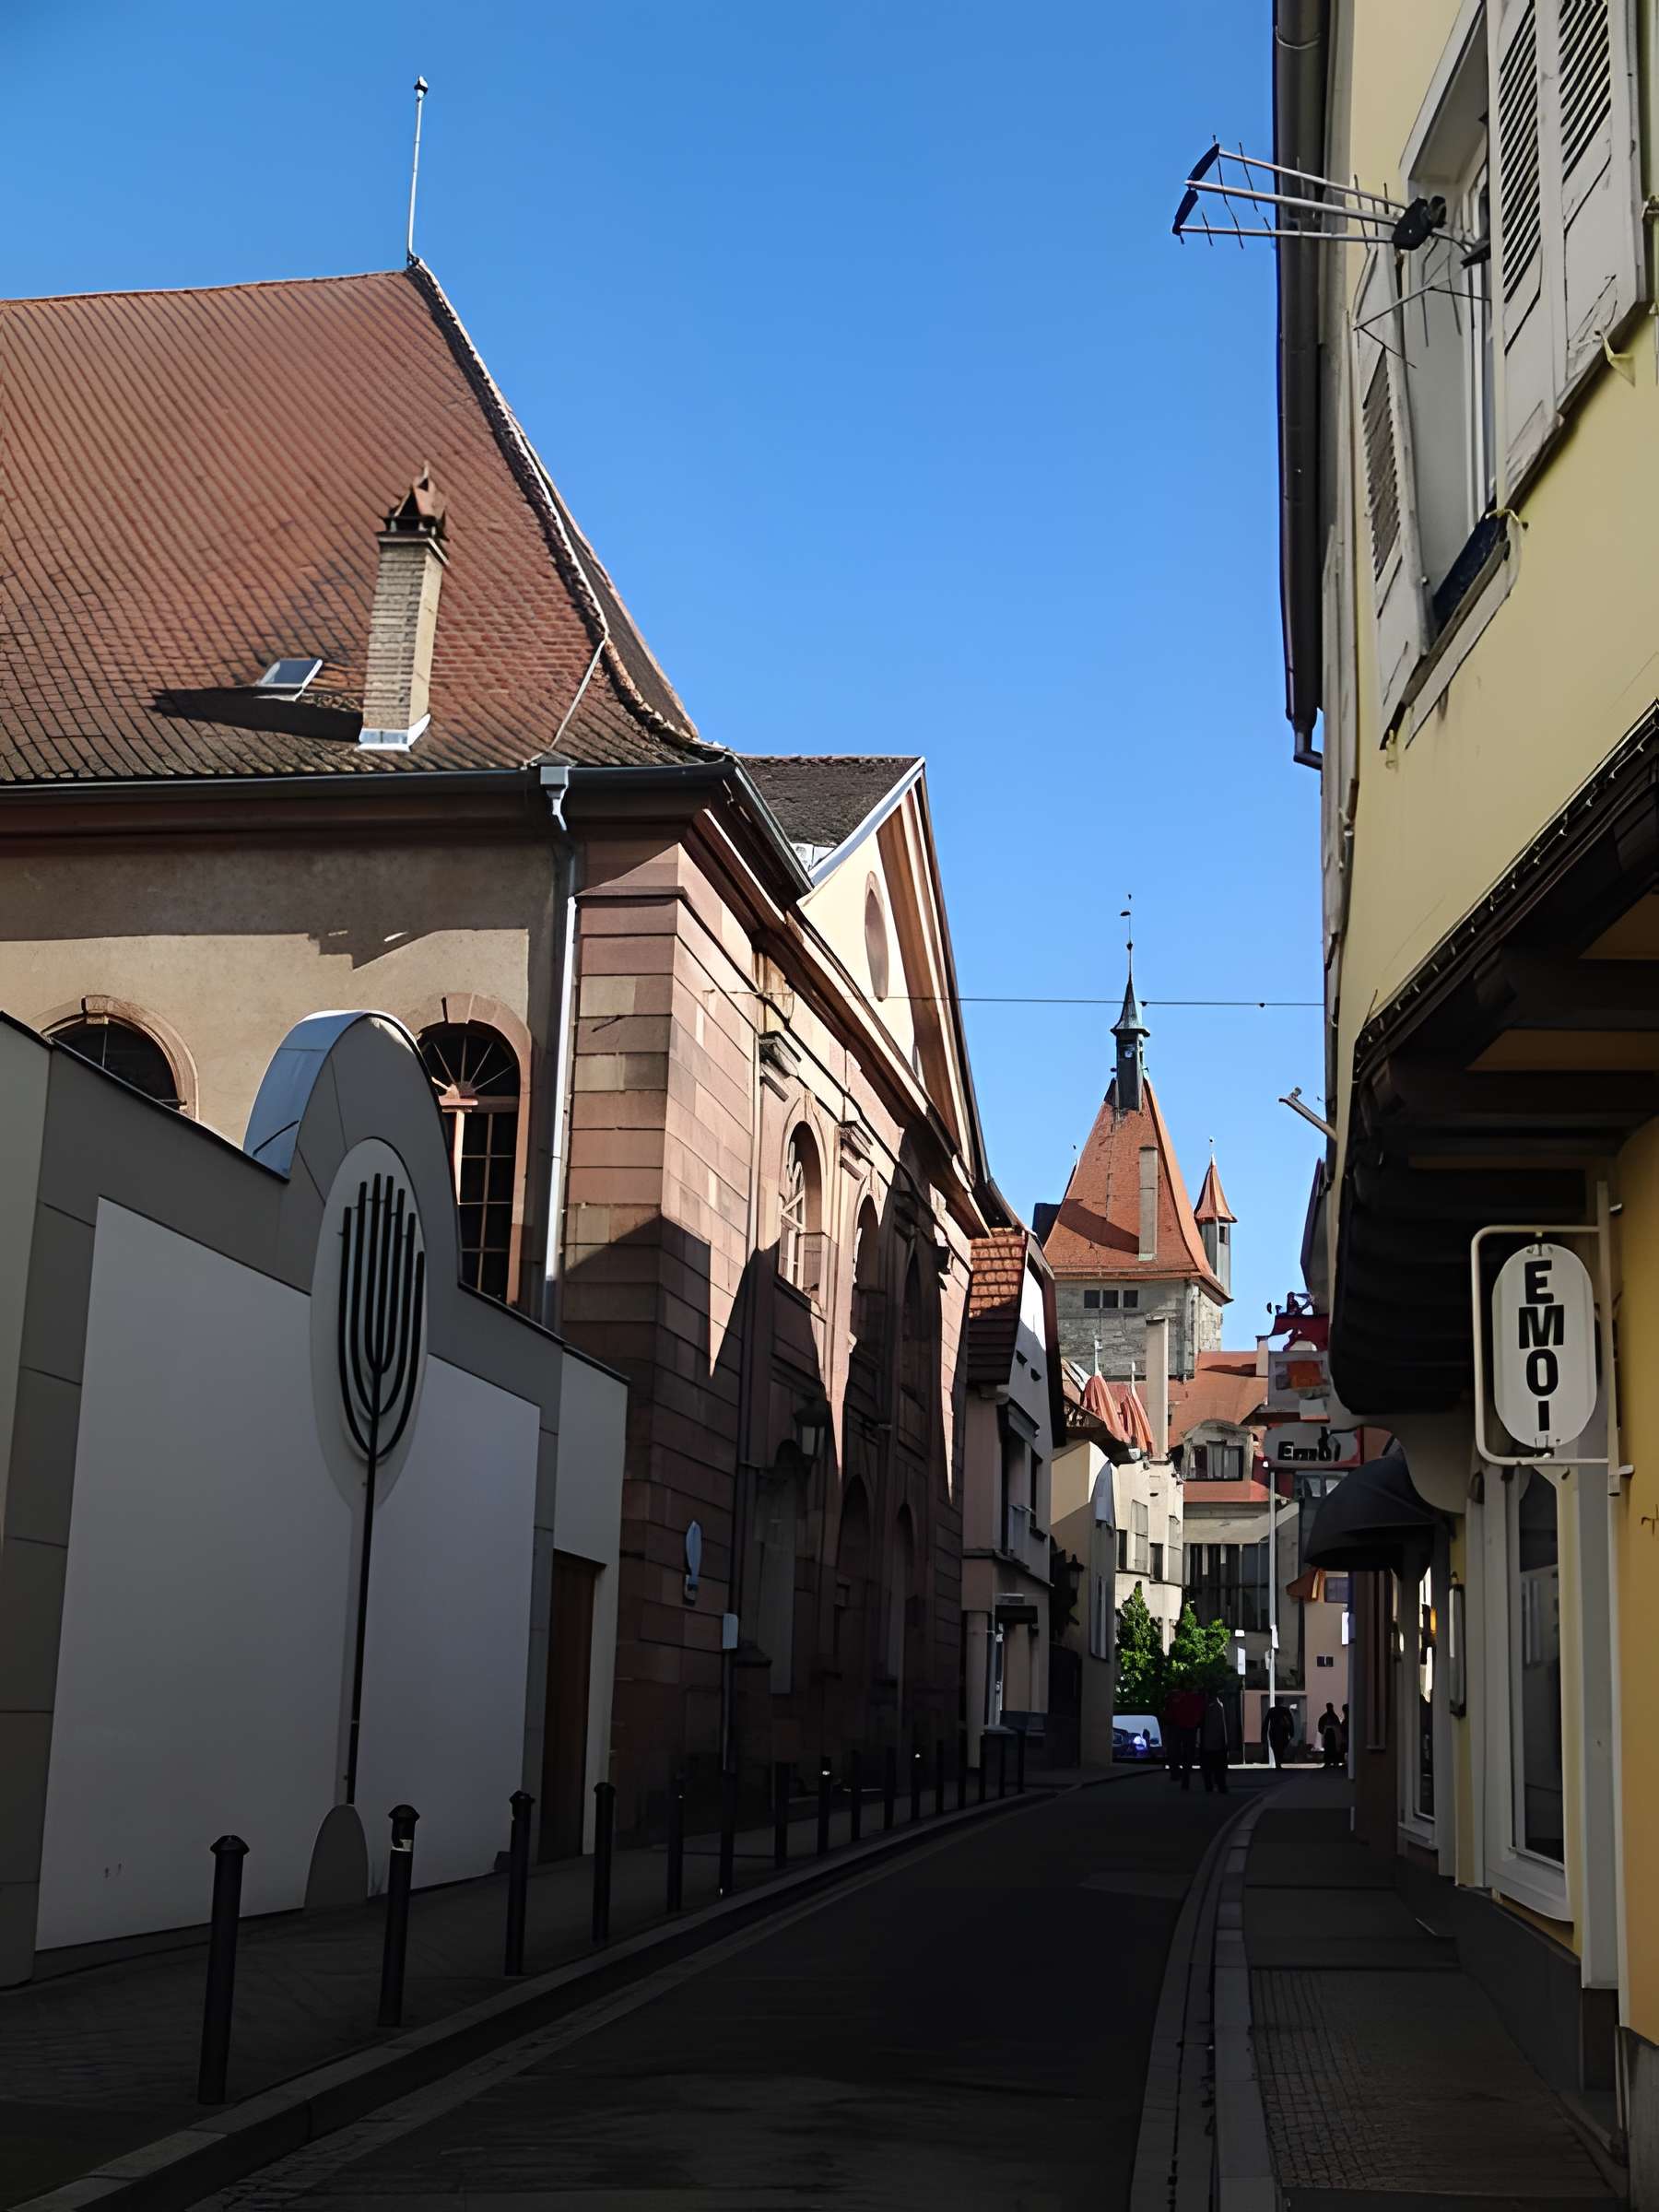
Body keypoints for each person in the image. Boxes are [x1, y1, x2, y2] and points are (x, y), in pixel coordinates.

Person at [1163, 1685, 1205, 1790]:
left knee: (1174, 1751)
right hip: (1190, 1727)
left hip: (1176, 1726)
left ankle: (1175, 1773)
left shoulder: (1174, 1696)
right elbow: (1200, 1712)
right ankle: (1185, 1775)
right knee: (1188, 1754)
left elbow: (1169, 1711)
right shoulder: (1195, 1698)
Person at [1200, 1690, 1230, 1794]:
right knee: (1219, 1767)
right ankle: (1221, 1786)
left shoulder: (1208, 1707)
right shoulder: (1218, 1707)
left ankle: (1210, 1786)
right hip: (1218, 1744)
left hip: (1208, 1744)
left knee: (1209, 1767)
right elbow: (1223, 1727)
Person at [1266, 1701, 1295, 1769]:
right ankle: (1278, 1762)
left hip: (1274, 1732)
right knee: (1281, 1747)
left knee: (1276, 1748)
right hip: (1282, 1732)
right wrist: (1291, 1732)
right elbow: (1290, 1721)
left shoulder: (1272, 1710)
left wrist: (1264, 1732)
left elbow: (1266, 1722)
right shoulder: (1285, 1710)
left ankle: (1278, 1762)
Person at [1318, 1700, 1342, 1770]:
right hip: (1330, 1735)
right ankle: (1331, 1762)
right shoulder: (1333, 1716)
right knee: (1330, 1749)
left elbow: (1321, 1725)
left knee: (1331, 1748)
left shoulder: (1327, 1716)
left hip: (1331, 1735)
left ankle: (1331, 1762)